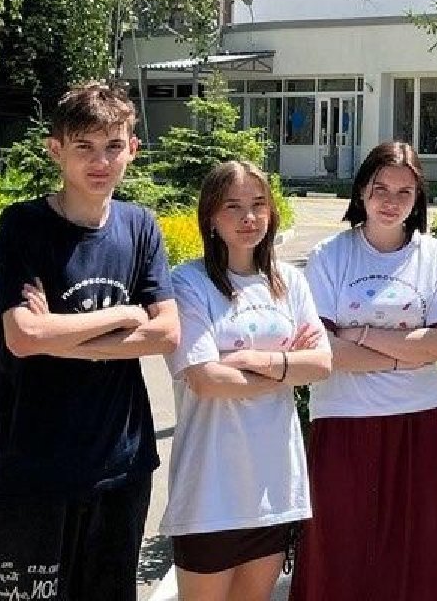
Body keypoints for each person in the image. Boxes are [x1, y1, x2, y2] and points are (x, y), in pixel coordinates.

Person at [0, 82, 180, 601]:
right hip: (29, 470)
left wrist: (60, 339)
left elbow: (166, 332)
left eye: (113, 146)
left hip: (121, 470)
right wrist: (123, 315)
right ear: (56, 149)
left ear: (133, 148)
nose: (100, 162)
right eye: (84, 146)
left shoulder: (140, 227)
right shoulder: (24, 225)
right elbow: (23, 334)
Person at [290, 142, 437, 601]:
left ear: (418, 198)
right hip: (343, 418)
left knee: (416, 554)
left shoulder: (434, 256)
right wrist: (404, 356)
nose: (391, 201)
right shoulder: (330, 254)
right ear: (361, 191)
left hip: (416, 419)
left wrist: (362, 332)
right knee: (342, 551)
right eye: (380, 189)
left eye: (404, 192)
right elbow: (325, 351)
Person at [162, 161, 332, 600]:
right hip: (210, 489)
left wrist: (254, 360)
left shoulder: (289, 282)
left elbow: (321, 364)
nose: (249, 217)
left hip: (273, 486)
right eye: (233, 206)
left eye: (258, 204)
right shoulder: (189, 283)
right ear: (210, 217)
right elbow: (205, 379)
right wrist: (287, 368)